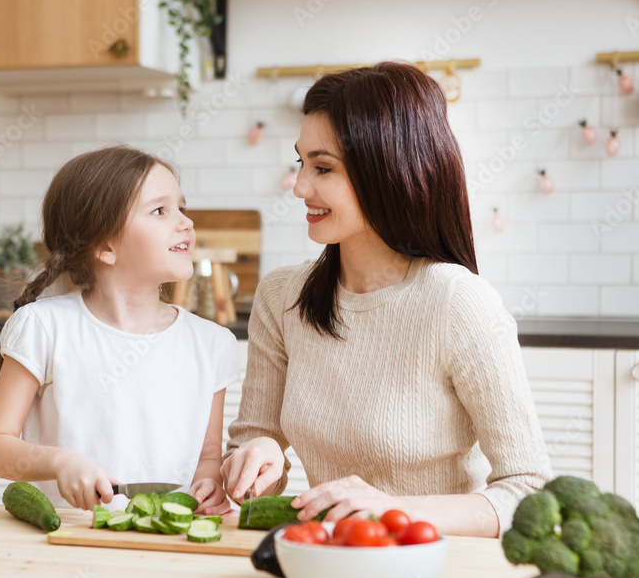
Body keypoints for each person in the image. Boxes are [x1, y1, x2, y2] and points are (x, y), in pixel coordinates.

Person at [221, 62, 552, 537]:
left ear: (388, 171)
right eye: (301, 163)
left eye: (323, 168)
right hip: (327, 560)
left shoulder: (458, 302)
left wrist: (393, 510)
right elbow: (253, 450)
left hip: (437, 563)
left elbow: (529, 492)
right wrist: (260, 458)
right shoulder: (281, 297)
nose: (299, 187)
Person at [0, 146, 237, 515]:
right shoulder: (44, 327)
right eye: (160, 211)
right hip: (68, 539)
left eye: (182, 207)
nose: (186, 223)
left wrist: (209, 483)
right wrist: (60, 462)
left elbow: (208, 455)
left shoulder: (212, 343)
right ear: (105, 246)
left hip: (168, 541)